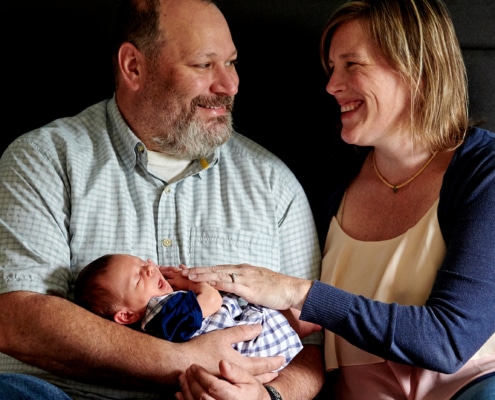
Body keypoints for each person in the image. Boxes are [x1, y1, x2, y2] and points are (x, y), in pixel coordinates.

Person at [0, 0, 324, 399]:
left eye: (232, 62)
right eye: (204, 65)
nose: (230, 85)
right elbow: (17, 317)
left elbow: (314, 349)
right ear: (133, 67)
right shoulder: (45, 159)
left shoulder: (274, 184)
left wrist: (267, 397)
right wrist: (180, 361)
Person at [174, 0, 495, 399]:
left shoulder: (483, 173)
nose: (331, 85)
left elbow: (448, 339)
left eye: (351, 65)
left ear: (415, 68)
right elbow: (309, 344)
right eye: (331, 68)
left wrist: (297, 292)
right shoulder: (330, 183)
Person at [74, 254, 304, 369]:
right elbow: (211, 301)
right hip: (257, 343)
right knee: (279, 313)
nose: (151, 269)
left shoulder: (160, 318)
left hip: (257, 348)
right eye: (138, 278)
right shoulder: (162, 313)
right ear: (126, 316)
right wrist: (192, 284)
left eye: (144, 263)